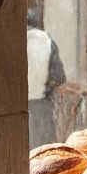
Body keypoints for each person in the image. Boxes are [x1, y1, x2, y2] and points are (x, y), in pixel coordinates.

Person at [27, 8, 66, 147]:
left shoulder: (11, 39)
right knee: (42, 152)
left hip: (14, 109)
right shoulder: (46, 40)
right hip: (40, 107)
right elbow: (59, 77)